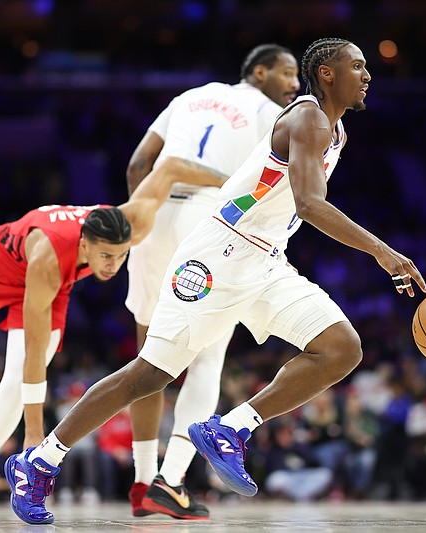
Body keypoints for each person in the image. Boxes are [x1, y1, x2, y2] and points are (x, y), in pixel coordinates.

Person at [5, 37, 426, 526]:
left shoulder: (336, 131)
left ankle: (232, 429)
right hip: (219, 254)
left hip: (265, 260)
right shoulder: (306, 117)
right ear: (327, 73)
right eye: (357, 65)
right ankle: (38, 461)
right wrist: (383, 251)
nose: (367, 74)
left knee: (341, 348)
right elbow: (310, 205)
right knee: (151, 373)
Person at [0, 156, 224, 521]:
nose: (112, 265)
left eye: (120, 256)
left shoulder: (132, 223)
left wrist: (237, 180)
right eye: (105, 256)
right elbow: (33, 352)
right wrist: (34, 437)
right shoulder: (49, 258)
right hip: (6, 261)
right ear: (85, 245)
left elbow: (170, 169)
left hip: (54, 282)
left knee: (14, 390)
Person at [123, 43, 299, 520]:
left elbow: (139, 165)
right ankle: (172, 481)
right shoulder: (274, 112)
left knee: (149, 355)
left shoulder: (189, 96)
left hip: (153, 210)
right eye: (286, 73)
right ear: (258, 72)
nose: (295, 84)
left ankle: (141, 482)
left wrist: (143, 217)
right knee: (205, 358)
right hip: (208, 218)